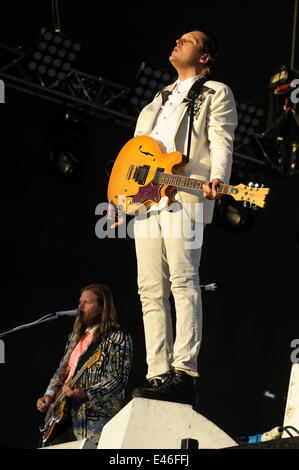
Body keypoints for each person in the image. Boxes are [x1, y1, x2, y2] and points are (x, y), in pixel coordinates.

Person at [110, 29, 238, 407]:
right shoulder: (157, 99)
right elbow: (135, 153)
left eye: (189, 40)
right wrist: (123, 199)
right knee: (149, 288)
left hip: (186, 190)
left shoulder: (216, 91)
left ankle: (184, 371)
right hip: (148, 199)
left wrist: (220, 178)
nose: (178, 42)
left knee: (183, 279)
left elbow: (221, 137)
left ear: (205, 57)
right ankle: (157, 372)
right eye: (178, 38)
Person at [36, 284, 133, 446]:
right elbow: (62, 370)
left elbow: (117, 380)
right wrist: (49, 395)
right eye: (80, 302)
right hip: (62, 415)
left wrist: (86, 393)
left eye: (86, 303)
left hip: (92, 421)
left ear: (102, 308)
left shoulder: (117, 337)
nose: (80, 306)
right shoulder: (76, 336)